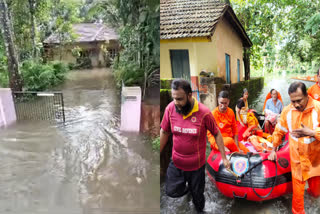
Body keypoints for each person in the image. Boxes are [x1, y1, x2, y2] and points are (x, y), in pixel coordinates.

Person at [160, 79, 230, 213]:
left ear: (189, 95)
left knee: (198, 201)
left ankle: (195, 194)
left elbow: (216, 134)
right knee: (170, 191)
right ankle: (189, 189)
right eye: (174, 98)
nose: (176, 102)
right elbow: (164, 131)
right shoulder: (170, 109)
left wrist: (224, 157)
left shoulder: (204, 113)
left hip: (196, 167)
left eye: (180, 99)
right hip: (176, 162)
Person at [268, 81, 320, 214]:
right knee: (297, 199)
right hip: (297, 161)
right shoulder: (287, 111)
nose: (296, 104)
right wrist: (273, 149)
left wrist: (313, 133)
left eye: (299, 100)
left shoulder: (318, 108)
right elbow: (279, 131)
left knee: (315, 192)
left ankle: (312, 199)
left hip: (315, 161)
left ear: (307, 95)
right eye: (293, 101)